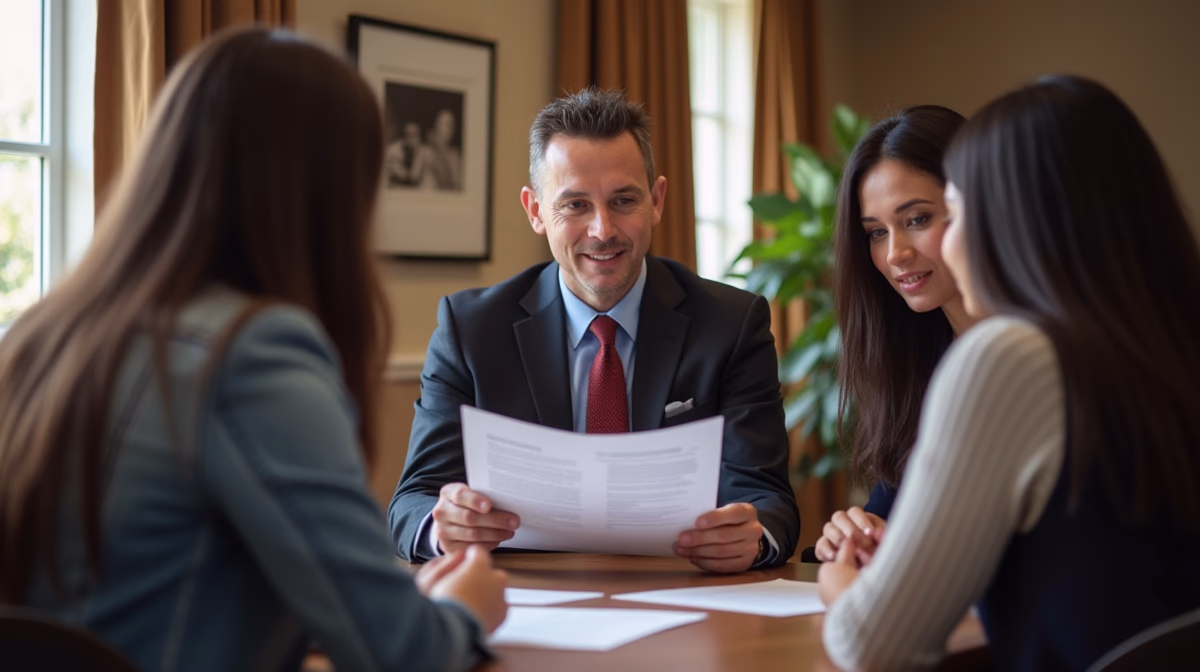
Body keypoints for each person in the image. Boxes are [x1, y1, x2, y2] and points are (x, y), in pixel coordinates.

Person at [0, 28, 506, 672]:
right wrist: (466, 607)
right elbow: (404, 653)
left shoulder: (41, 338)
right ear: (327, 197)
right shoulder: (250, 356)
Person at [818, 75, 1200, 671]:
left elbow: (872, 644)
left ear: (1027, 220)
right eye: (875, 234)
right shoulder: (1162, 344)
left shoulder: (1008, 357)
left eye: (957, 211)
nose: (900, 253)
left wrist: (839, 582)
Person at [389, 88, 800, 573]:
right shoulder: (472, 329)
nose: (603, 230)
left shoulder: (731, 323)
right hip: (523, 598)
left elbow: (768, 500)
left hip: (683, 592)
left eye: (623, 200)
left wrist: (751, 537)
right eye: (576, 205)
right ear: (536, 211)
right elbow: (412, 502)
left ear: (657, 200)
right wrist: (444, 527)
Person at [814, 106, 974, 563]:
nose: (895, 254)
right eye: (876, 233)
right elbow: (889, 518)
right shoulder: (917, 361)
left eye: (917, 219)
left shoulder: (1031, 359)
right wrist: (857, 536)